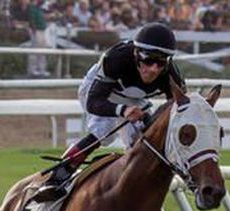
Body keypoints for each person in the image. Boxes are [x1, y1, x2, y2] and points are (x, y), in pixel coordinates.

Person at [33, 22, 185, 201]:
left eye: (161, 62)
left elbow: (180, 108)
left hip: (133, 98)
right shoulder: (116, 59)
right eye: (149, 60)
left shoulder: (171, 75)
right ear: (136, 53)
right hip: (100, 92)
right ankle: (58, 176)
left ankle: (137, 187)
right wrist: (123, 110)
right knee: (104, 133)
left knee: (143, 137)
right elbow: (94, 102)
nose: (154, 69)